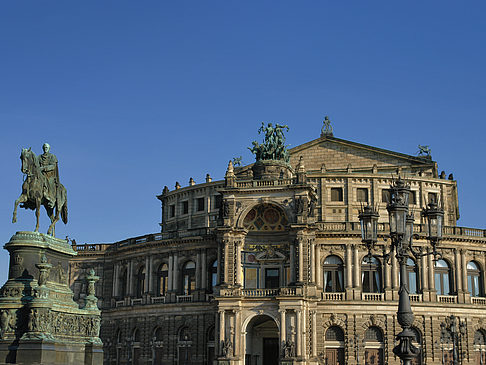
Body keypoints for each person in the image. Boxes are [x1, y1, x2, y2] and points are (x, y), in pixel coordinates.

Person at [38, 143, 59, 209]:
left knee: (49, 182)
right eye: (44, 147)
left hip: (49, 175)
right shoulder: (39, 157)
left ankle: (51, 199)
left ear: (49, 148)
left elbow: (53, 166)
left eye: (46, 147)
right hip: (41, 175)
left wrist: (44, 168)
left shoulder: (52, 156)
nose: (45, 149)